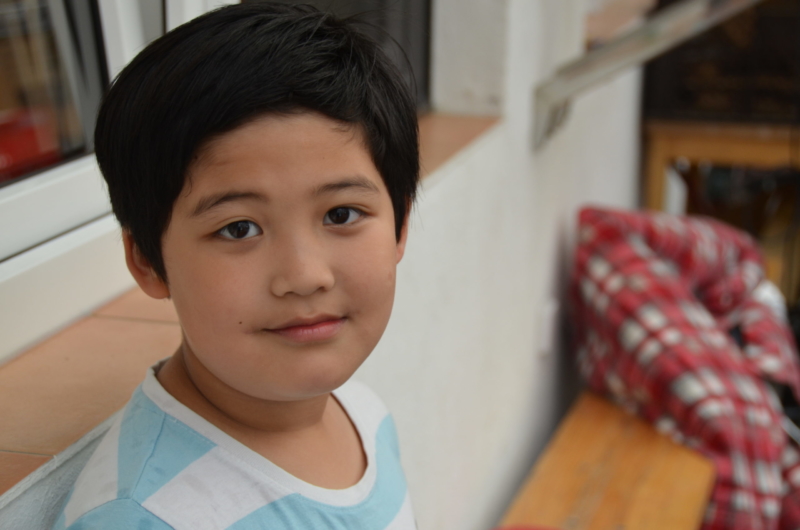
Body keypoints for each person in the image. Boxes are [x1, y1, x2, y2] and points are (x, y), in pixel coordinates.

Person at [52, 3, 419, 529]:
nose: (304, 276)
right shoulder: (144, 518)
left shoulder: (363, 414)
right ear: (148, 262)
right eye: (239, 228)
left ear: (400, 225)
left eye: (340, 214)